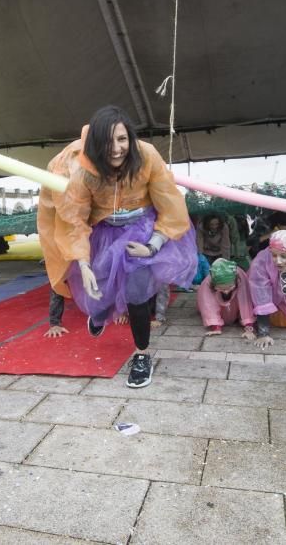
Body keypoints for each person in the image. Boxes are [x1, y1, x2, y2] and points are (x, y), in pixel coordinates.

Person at [55, 106, 196, 388]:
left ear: (130, 138)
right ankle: (100, 313)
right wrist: (82, 263)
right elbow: (75, 219)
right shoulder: (84, 171)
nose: (117, 149)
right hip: (104, 232)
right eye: (108, 142)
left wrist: (153, 247)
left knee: (135, 294)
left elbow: (171, 204)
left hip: (143, 232)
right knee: (101, 288)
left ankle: (142, 355)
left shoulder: (147, 157)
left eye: (122, 139)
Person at [36, 138, 83, 339]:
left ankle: (116, 308)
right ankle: (55, 321)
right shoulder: (59, 167)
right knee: (59, 273)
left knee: (104, 267)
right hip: (60, 230)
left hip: (82, 227)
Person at [195, 258, 256, 336]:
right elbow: (208, 306)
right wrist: (216, 327)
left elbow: (246, 301)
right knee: (208, 302)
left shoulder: (241, 278)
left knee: (243, 298)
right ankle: (216, 322)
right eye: (221, 288)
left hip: (235, 305)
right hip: (220, 307)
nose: (226, 291)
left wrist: (249, 326)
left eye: (230, 287)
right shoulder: (207, 284)